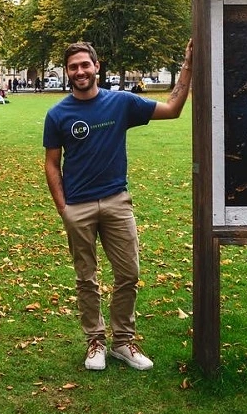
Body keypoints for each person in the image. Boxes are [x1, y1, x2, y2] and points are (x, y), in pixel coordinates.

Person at [43, 39, 193, 372]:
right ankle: (95, 341)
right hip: (77, 207)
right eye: (73, 67)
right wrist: (63, 208)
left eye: (85, 64)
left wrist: (188, 67)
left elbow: (173, 109)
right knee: (87, 278)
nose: (80, 71)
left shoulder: (121, 103)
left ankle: (123, 342)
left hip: (116, 201)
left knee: (129, 273)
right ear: (67, 72)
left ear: (97, 66)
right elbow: (52, 164)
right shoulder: (58, 114)